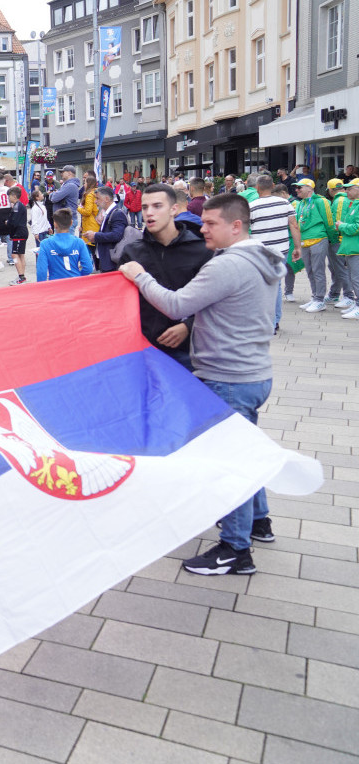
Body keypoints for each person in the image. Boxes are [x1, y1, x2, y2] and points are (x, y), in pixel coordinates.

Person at [121, 194, 282, 576]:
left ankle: (235, 549)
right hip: (253, 373)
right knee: (246, 453)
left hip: (227, 378)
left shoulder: (227, 265)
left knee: (228, 465)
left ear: (236, 226)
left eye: (210, 224)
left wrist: (139, 276)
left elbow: (176, 306)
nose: (202, 228)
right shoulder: (260, 257)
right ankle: (259, 522)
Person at [117, 183, 213, 369]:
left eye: (157, 206)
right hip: (143, 349)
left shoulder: (201, 250)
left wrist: (188, 327)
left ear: (173, 209)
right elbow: (120, 300)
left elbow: (216, 303)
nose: (149, 213)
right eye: (145, 207)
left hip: (189, 353)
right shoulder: (132, 252)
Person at [248, 174, 301, 327]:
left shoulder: (252, 206)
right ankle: (274, 320)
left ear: (257, 188)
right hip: (281, 249)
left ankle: (262, 318)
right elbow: (294, 225)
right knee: (276, 285)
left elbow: (246, 229)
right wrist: (297, 247)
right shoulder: (285, 203)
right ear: (272, 186)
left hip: (260, 251)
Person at [294, 179, 336, 313]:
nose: (297, 190)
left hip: (318, 239)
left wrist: (333, 238)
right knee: (310, 270)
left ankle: (319, 300)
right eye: (296, 188)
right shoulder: (300, 203)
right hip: (304, 241)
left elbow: (329, 220)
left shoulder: (320, 201)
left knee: (318, 270)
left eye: (300, 188)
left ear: (309, 188)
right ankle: (315, 296)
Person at [35, 208, 94, 282]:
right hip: (75, 284)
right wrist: (79, 276)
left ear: (55, 224)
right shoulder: (79, 242)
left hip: (55, 285)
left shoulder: (45, 244)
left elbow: (41, 271)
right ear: (71, 223)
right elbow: (88, 268)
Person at [86, 186, 129, 273]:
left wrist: (95, 235)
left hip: (111, 262)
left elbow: (116, 235)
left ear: (106, 199)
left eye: (97, 198)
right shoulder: (108, 212)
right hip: (106, 260)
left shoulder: (117, 213)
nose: (95, 201)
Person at [327, 179, 355, 310]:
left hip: (339, 240)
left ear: (331, 190)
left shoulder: (339, 201)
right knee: (338, 268)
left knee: (340, 268)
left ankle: (348, 296)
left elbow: (336, 223)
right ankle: (335, 293)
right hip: (344, 239)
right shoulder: (349, 200)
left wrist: (334, 238)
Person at [337, 179, 359, 320]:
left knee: (356, 279)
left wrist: (342, 226)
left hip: (355, 247)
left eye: (350, 188)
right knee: (353, 278)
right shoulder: (353, 204)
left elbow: (356, 227)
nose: (346, 191)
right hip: (351, 247)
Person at [5, 186, 30, 285]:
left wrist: (8, 222)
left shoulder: (17, 206)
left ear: (14, 196)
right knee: (21, 255)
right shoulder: (20, 205)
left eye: (9, 196)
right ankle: (22, 275)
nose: (8, 198)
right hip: (21, 232)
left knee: (14, 254)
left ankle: (21, 277)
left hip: (18, 233)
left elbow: (14, 222)